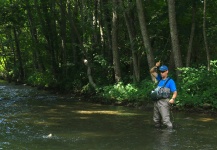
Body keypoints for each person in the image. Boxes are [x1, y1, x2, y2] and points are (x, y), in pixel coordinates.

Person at [150, 61, 177, 129]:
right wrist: (156, 66)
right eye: (160, 72)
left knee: (166, 120)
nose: (161, 73)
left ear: (167, 71)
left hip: (164, 102)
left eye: (163, 71)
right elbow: (152, 71)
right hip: (156, 101)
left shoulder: (170, 81)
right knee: (156, 120)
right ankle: (157, 132)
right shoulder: (159, 79)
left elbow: (175, 92)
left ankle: (170, 133)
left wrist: (173, 99)